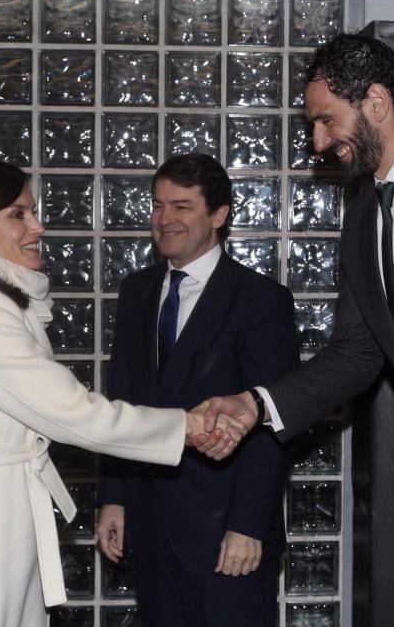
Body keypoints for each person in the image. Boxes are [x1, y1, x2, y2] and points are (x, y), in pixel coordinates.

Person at [0, 159, 242, 627]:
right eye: (18, 214)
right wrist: (191, 425)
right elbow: (76, 413)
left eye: (33, 212)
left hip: (0, 533)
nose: (38, 226)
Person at [199, 33, 394, 480]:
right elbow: (357, 352)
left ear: (376, 103)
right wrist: (255, 404)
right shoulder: (363, 212)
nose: (318, 142)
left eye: (326, 120)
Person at [95, 154, 298, 627]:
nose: (165, 219)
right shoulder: (137, 292)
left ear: (219, 215)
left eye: (182, 206)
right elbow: (122, 401)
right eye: (158, 205)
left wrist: (248, 525)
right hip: (148, 527)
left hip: (228, 534)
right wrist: (116, 496)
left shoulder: (261, 300)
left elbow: (273, 420)